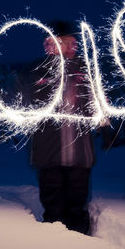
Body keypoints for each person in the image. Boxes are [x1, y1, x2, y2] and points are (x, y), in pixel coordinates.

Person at [30, 21, 96, 235]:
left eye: (74, 43)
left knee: (76, 207)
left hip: (79, 155)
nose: (73, 47)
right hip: (49, 154)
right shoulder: (38, 71)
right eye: (67, 43)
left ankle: (80, 246)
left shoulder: (84, 71)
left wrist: (99, 111)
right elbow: (26, 102)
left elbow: (94, 104)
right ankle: (54, 246)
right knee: (54, 210)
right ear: (51, 43)